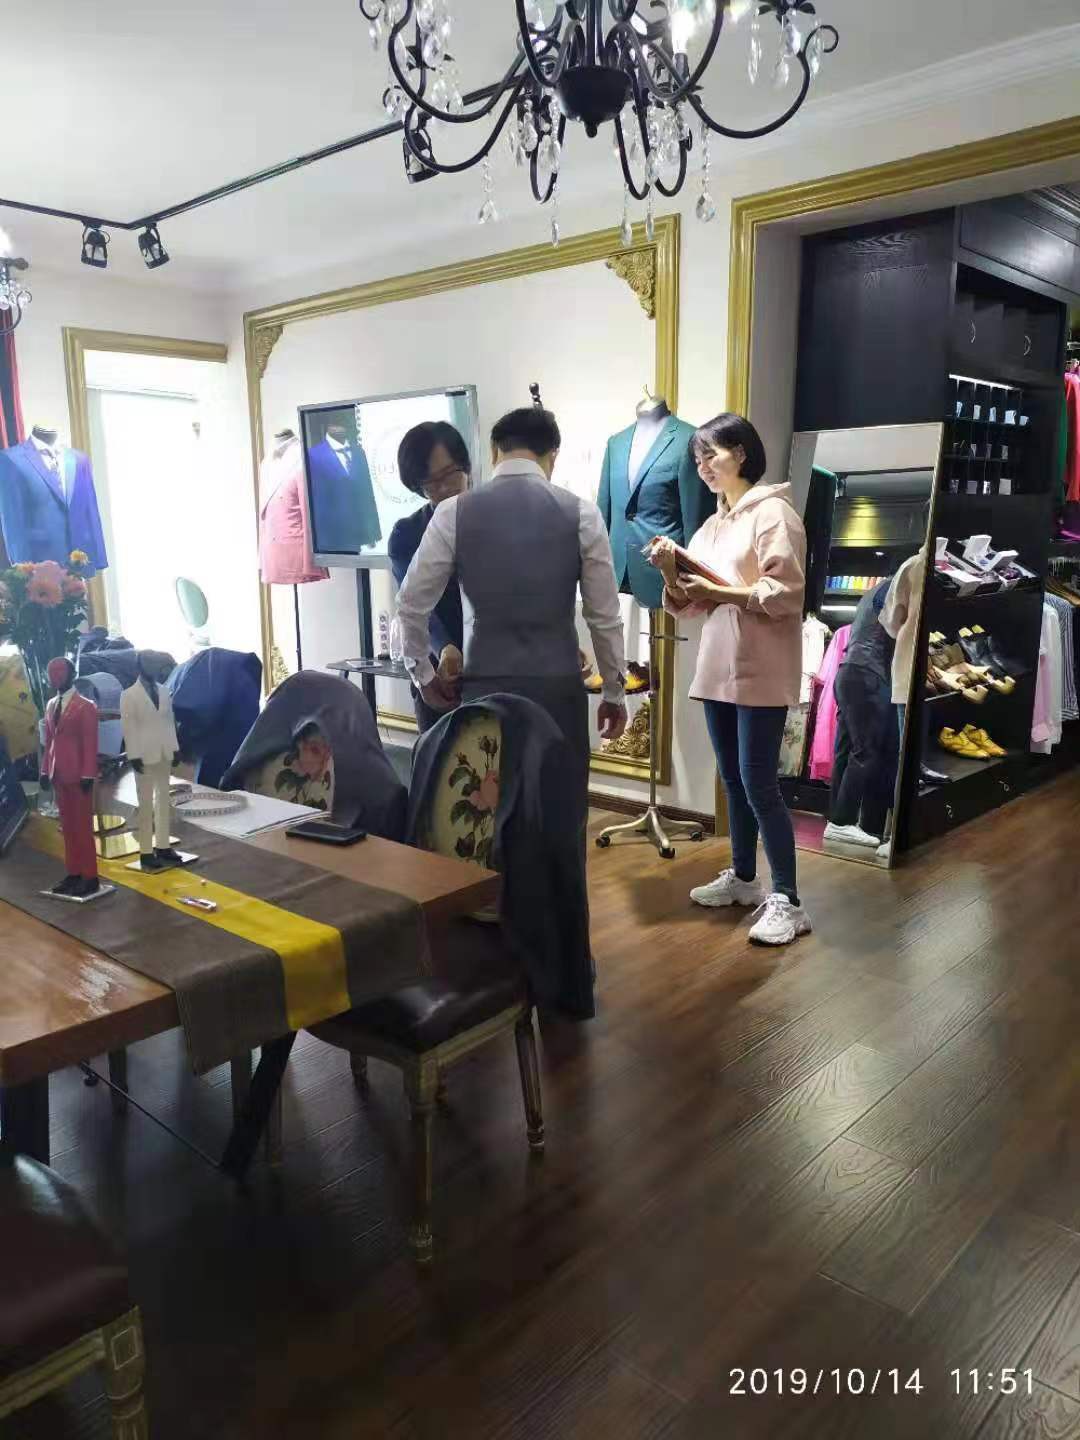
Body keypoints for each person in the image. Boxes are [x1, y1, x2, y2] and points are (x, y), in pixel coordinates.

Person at [395, 404, 627, 843]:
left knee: (487, 821)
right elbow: (604, 617)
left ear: (494, 451)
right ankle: (559, 891)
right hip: (558, 695)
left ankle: (489, 891)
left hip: (484, 695)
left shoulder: (452, 513)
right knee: (559, 822)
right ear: (552, 455)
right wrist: (613, 691)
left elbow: (409, 606)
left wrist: (422, 675)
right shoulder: (582, 513)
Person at [650, 413, 810, 947]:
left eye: (711, 455)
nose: (703, 467)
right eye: (698, 460)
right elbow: (690, 605)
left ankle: (788, 900)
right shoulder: (713, 524)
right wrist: (670, 571)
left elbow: (786, 595)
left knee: (758, 781)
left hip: (761, 665)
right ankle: (744, 878)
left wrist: (719, 592)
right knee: (733, 779)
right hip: (718, 665)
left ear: (741, 453)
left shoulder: (773, 513)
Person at [388, 421, 469, 733]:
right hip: (437, 677)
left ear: (466, 465)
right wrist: (444, 646)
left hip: (496, 674)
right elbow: (416, 606)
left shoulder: (497, 520)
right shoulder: (406, 534)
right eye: (431, 484)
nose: (445, 489)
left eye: (450, 475)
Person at [824, 578, 899, 849]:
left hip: (848, 671)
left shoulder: (874, 591)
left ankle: (836, 820)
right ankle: (843, 822)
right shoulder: (899, 587)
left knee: (846, 750)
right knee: (865, 751)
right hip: (869, 673)